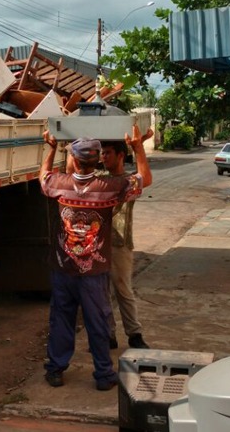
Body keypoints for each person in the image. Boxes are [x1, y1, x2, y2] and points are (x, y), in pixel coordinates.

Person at [40, 126, 150, 391]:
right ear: (98, 160)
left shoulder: (60, 185)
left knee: (61, 319)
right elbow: (144, 179)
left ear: (74, 160)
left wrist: (51, 147)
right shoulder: (108, 188)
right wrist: (138, 147)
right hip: (94, 271)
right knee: (97, 322)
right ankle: (103, 374)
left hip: (64, 268)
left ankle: (56, 369)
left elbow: (42, 176)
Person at [100, 131, 153, 350]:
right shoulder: (98, 180)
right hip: (98, 246)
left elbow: (146, 178)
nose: (104, 157)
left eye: (108, 153)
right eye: (102, 153)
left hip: (120, 244)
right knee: (101, 293)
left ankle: (134, 334)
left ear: (121, 155)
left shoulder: (126, 181)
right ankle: (108, 334)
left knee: (123, 290)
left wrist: (138, 147)